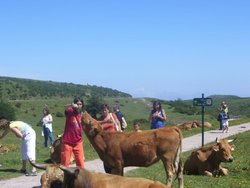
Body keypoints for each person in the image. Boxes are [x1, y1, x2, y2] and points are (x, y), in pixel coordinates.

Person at [61, 97, 85, 168]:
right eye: (77, 104)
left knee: (80, 163)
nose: (79, 105)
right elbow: (65, 107)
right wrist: (72, 105)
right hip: (67, 142)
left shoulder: (82, 114)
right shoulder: (70, 111)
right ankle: (64, 178)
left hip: (78, 142)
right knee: (65, 164)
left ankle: (80, 178)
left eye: (80, 104)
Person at [97, 103, 121, 173]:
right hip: (104, 142)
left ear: (108, 110)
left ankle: (117, 171)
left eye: (106, 110)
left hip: (114, 140)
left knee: (115, 156)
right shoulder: (100, 119)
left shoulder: (112, 115)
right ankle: (108, 172)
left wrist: (119, 131)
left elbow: (118, 123)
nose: (104, 111)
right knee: (106, 157)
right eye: (103, 110)